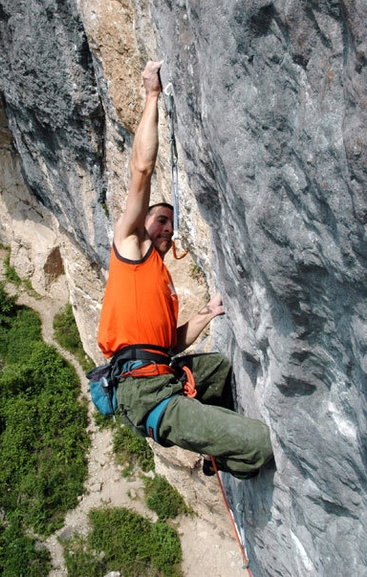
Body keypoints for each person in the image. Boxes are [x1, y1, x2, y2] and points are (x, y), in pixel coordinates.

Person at [97, 61, 273, 479]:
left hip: (165, 371)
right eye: (159, 219)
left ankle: (215, 437)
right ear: (142, 223)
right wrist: (151, 96)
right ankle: (230, 457)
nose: (165, 228)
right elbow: (141, 171)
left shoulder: (158, 276)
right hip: (144, 393)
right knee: (260, 444)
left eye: (171, 226)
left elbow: (168, 343)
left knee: (221, 369)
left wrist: (209, 314)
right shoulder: (130, 247)